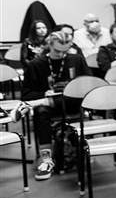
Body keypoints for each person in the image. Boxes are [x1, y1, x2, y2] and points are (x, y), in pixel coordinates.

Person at [16, 32, 91, 181]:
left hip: (73, 102)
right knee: (42, 112)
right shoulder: (36, 64)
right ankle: (47, 160)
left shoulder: (77, 59)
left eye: (65, 51)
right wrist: (44, 93)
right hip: (51, 107)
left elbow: (88, 84)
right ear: (49, 45)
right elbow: (26, 93)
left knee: (76, 98)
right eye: (57, 51)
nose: (62, 55)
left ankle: (37, 103)